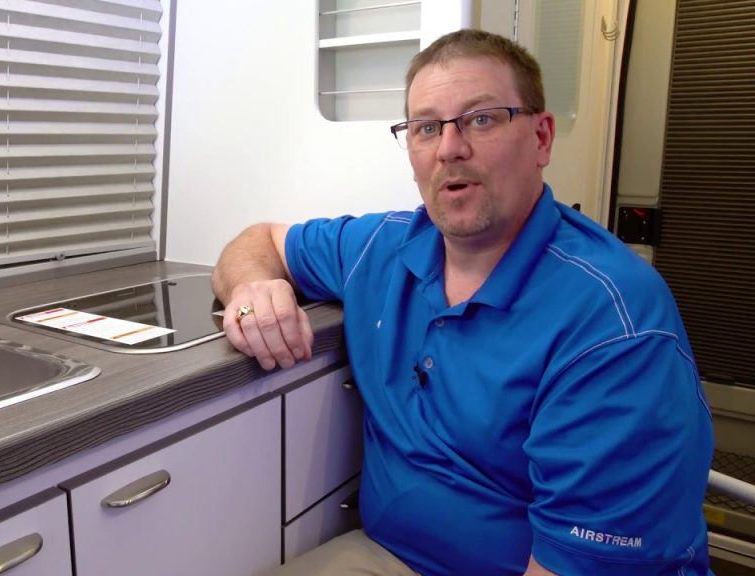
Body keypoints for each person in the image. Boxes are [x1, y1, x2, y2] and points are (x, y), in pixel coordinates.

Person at [211, 29, 714, 576]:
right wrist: (251, 287)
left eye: (481, 119)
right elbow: (259, 240)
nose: (449, 148)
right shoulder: (382, 247)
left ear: (541, 138)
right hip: (391, 556)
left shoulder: (614, 323)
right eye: (426, 127)